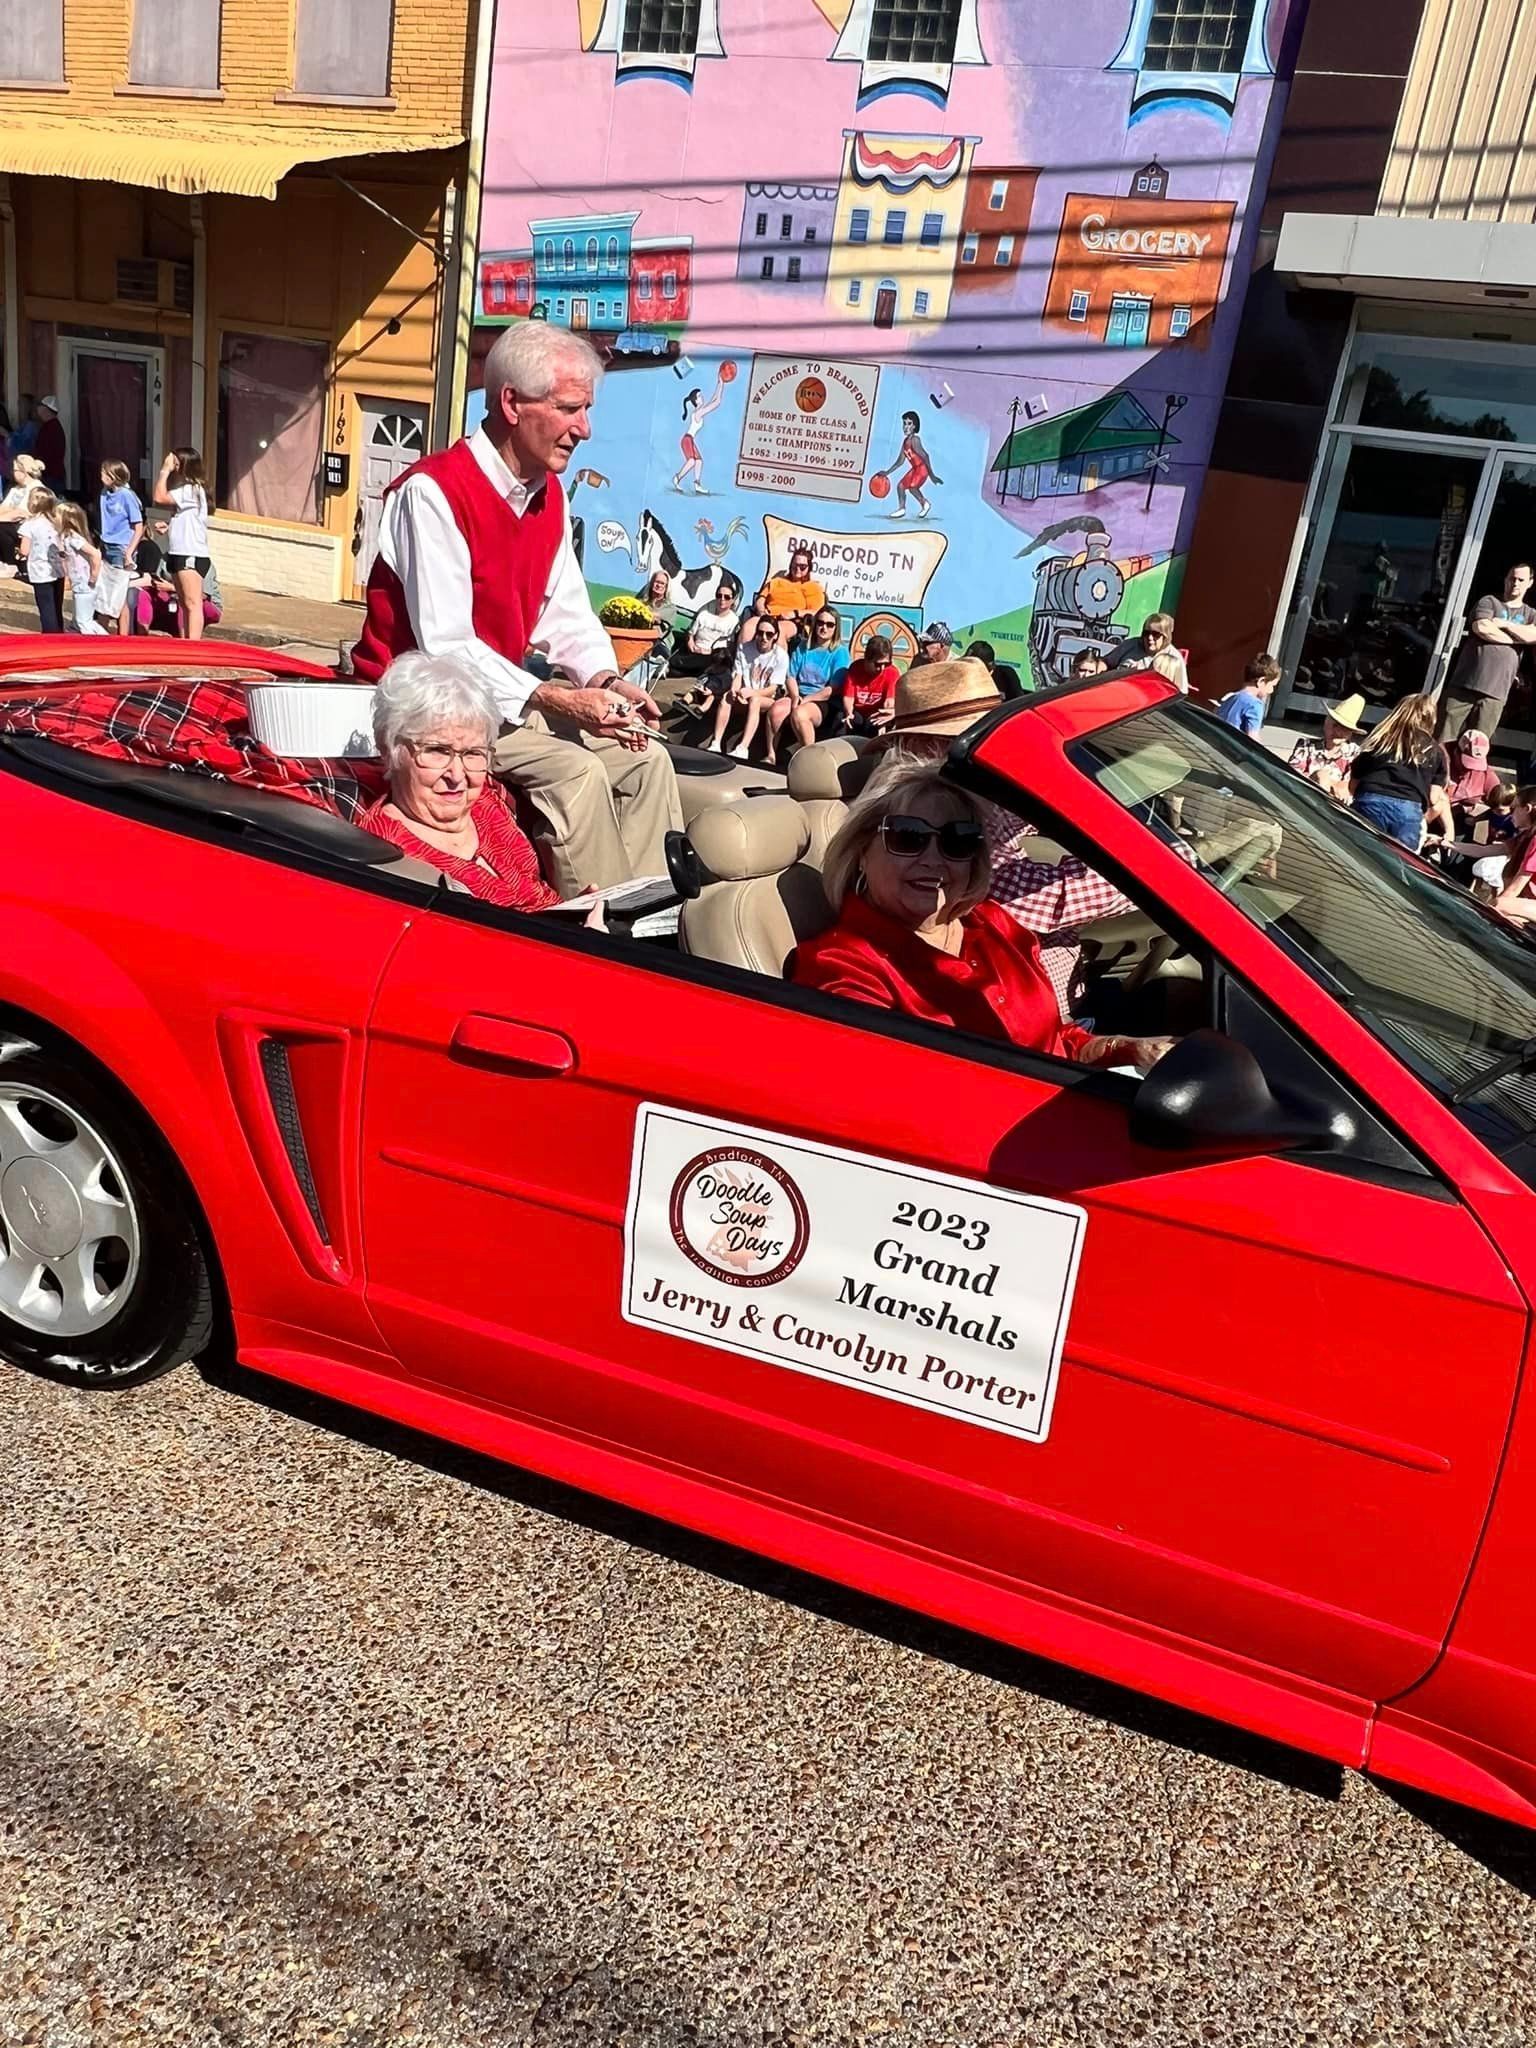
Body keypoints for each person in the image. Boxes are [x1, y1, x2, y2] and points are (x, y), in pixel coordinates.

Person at [352, 322, 682, 895]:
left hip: (498, 702)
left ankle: (649, 911)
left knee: (647, 759)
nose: (585, 428)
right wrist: (558, 698)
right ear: (511, 404)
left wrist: (605, 682)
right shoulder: (432, 492)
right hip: (425, 711)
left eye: (586, 410)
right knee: (576, 771)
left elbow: (566, 612)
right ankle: (592, 930)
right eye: (570, 409)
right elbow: (447, 646)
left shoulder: (547, 495)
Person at [792, 764, 1174, 1071]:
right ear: (862, 852)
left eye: (957, 841)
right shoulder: (840, 967)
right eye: (908, 837)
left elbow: (1056, 1042)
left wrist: (1129, 1049)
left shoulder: (993, 923)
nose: (933, 859)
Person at [360, 653, 599, 917]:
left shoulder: (486, 801)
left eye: (473, 753)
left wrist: (573, 913)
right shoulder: (386, 854)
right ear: (389, 748)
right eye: (437, 751)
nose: (457, 775)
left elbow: (533, 898)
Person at [1439, 564, 1536, 744]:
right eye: (1512, 578)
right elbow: (1482, 627)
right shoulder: (1489, 601)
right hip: (1465, 684)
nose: (1515, 583)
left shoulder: (1531, 614)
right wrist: (1518, 638)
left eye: (1521, 580)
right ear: (1506, 580)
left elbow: (1533, 635)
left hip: (1496, 692)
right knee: (1443, 740)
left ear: (1530, 583)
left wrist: (1505, 624)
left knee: (1477, 747)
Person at [1349, 692, 1454, 850]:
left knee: (1358, 851)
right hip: (1408, 810)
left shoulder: (1381, 740)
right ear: (1431, 718)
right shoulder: (1435, 751)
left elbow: (1354, 783)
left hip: (1371, 800)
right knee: (1400, 858)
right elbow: (1433, 797)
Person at [703, 612, 789, 759]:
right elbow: (738, 674)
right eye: (760, 633)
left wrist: (752, 693)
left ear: (775, 636)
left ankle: (743, 747)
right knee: (727, 697)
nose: (764, 638)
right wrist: (734, 690)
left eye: (769, 634)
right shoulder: (744, 648)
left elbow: (773, 689)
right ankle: (716, 742)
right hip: (744, 693)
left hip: (765, 698)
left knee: (755, 700)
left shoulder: (780, 656)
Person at [152, 446, 211, 642]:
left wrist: (164, 471)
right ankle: (186, 641)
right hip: (178, 552)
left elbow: (159, 497)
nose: (174, 467)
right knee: (184, 603)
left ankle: (194, 645)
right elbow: (190, 521)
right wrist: (170, 527)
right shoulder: (186, 492)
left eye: (177, 464)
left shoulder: (192, 490)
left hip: (191, 554)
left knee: (193, 603)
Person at [777, 606, 845, 753]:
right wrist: (795, 696)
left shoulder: (840, 652)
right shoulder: (803, 647)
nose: (824, 627)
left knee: (800, 714)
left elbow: (833, 689)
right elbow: (790, 676)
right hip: (799, 693)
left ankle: (810, 757)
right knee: (776, 711)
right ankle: (771, 755)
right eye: (820, 623)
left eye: (830, 624)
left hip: (824, 701)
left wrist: (806, 699)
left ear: (836, 628)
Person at [1287, 692, 1365, 801]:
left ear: (1351, 733)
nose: (1338, 731)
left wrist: (1328, 782)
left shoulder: (1355, 753)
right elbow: (1291, 777)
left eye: (1345, 729)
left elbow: (1350, 788)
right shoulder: (1306, 746)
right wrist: (1320, 778)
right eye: (1335, 725)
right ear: (1326, 723)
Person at [873, 410, 942, 520]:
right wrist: (887, 472)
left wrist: (932, 475)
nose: (906, 427)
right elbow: (900, 461)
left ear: (914, 426)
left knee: (913, 487)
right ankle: (902, 509)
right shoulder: (905, 442)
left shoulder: (915, 440)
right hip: (915, 469)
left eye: (909, 424)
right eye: (904, 423)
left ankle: (925, 503)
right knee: (900, 486)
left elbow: (925, 456)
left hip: (922, 468)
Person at [671, 576, 741, 680]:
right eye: (719, 596)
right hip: (695, 651)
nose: (722, 599)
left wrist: (709, 651)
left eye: (726, 597)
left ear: (732, 600)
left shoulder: (733, 620)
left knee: (710, 662)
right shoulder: (704, 612)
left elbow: (729, 647)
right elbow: (690, 634)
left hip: (713, 656)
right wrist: (692, 646)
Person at [672, 372, 728, 495]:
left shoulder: (700, 411)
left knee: (699, 461)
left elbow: (714, 399)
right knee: (692, 461)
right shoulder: (698, 413)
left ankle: (697, 484)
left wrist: (719, 384)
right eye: (699, 396)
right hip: (687, 440)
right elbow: (717, 402)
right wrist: (722, 384)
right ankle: (677, 478)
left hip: (689, 440)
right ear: (696, 401)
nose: (702, 397)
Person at [1107, 612, 1189, 693]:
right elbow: (1106, 662)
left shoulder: (1173, 658)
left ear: (1165, 637)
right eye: (1146, 633)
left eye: (1155, 634)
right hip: (1115, 690)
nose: (1150, 637)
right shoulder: (1130, 645)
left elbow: (1181, 692)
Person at [18, 486, 63, 633]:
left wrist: (19, 553)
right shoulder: (56, 522)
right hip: (57, 569)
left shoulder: (29, 525)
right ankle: (60, 634)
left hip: (40, 571)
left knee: (46, 607)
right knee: (57, 606)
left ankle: (50, 636)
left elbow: (24, 550)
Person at [55, 503, 105, 635]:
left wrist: (93, 575)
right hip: (78, 583)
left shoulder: (74, 538)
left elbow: (95, 554)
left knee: (84, 621)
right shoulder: (66, 537)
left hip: (85, 584)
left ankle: (101, 641)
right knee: (77, 622)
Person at [1491, 787, 1536, 925]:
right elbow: (1486, 850)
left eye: (1514, 808)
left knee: (1500, 905)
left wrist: (1491, 910)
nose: (1511, 814)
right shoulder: (1526, 836)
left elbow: (1515, 887)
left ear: (1527, 809)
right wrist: (1446, 843)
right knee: (1510, 917)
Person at [1445, 725, 1503, 834]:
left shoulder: (1486, 776)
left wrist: (1477, 818)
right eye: (1467, 763)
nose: (1470, 769)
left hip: (1458, 819)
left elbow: (1502, 804)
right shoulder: (1441, 759)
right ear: (1457, 752)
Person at [839, 634, 899, 737]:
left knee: (876, 725)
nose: (882, 668)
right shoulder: (855, 668)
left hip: (876, 712)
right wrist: (849, 713)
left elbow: (889, 701)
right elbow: (848, 697)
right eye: (878, 664)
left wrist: (884, 721)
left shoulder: (892, 672)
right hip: (857, 711)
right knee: (842, 720)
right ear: (867, 659)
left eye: (886, 664)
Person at [1216, 654, 1283, 736]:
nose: (1271, 691)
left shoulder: (1230, 698)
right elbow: (1252, 738)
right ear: (1261, 681)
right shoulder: (1254, 705)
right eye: (1272, 686)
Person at [763, 546, 826, 628]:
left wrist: (795, 613)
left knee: (779, 629)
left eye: (802, 567)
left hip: (792, 622)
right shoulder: (776, 581)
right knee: (751, 625)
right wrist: (761, 611)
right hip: (767, 617)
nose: (798, 569)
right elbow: (761, 598)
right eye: (795, 565)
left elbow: (818, 612)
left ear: (809, 568)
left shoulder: (813, 587)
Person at [0, 452, 44, 568]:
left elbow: (20, 513)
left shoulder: (35, 488)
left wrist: (7, 513)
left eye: (15, 470)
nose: (12, 473)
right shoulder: (16, 489)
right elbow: (4, 507)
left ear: (24, 471)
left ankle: (11, 563)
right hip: (14, 526)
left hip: (27, 528)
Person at [33, 395, 65, 491]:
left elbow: (46, 452)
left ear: (46, 409)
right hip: (51, 475)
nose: (37, 409)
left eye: (40, 405)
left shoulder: (51, 428)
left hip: (50, 477)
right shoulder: (51, 426)